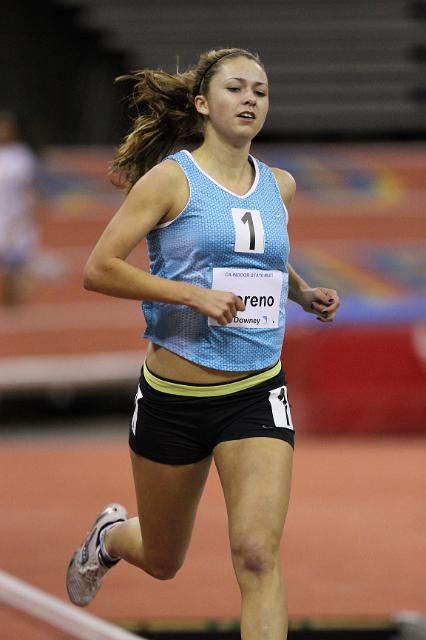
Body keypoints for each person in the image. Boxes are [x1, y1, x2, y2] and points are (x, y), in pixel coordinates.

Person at [66, 48, 340, 640]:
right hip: (174, 396)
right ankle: (110, 537)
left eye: (260, 92)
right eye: (236, 88)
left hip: (257, 391)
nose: (250, 100)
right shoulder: (169, 180)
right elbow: (99, 269)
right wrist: (190, 297)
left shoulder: (280, 186)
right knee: (164, 559)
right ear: (201, 104)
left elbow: (262, 255)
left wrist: (300, 292)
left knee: (258, 556)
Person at [0, 111, 41, 305]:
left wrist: (27, 217)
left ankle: (14, 310)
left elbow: (31, 190)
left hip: (15, 220)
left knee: (14, 272)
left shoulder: (21, 156)